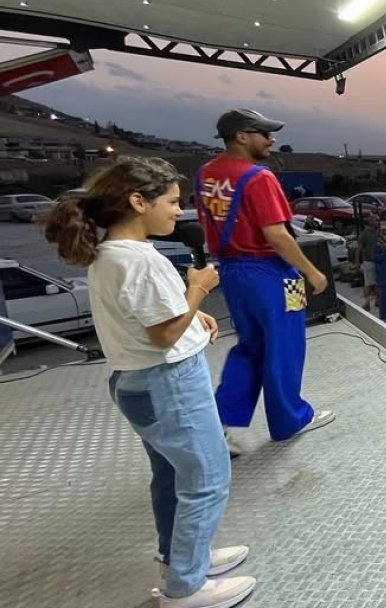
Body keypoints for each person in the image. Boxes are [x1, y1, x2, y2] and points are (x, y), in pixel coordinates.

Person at [44, 157, 256, 607]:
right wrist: (199, 288)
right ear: (138, 201)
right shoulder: (141, 259)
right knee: (207, 476)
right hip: (169, 383)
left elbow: (144, 318)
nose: (178, 212)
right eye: (172, 202)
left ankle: (181, 555)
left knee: (170, 473)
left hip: (134, 381)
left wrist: (190, 313)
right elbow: (162, 334)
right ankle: (185, 587)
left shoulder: (108, 256)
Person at [195, 108, 333, 452]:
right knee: (284, 347)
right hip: (268, 271)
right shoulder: (259, 176)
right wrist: (311, 270)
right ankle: (290, 420)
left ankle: (221, 426)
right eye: (264, 133)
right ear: (242, 136)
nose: (272, 140)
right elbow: (278, 235)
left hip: (231, 270)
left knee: (250, 347)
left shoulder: (206, 174)